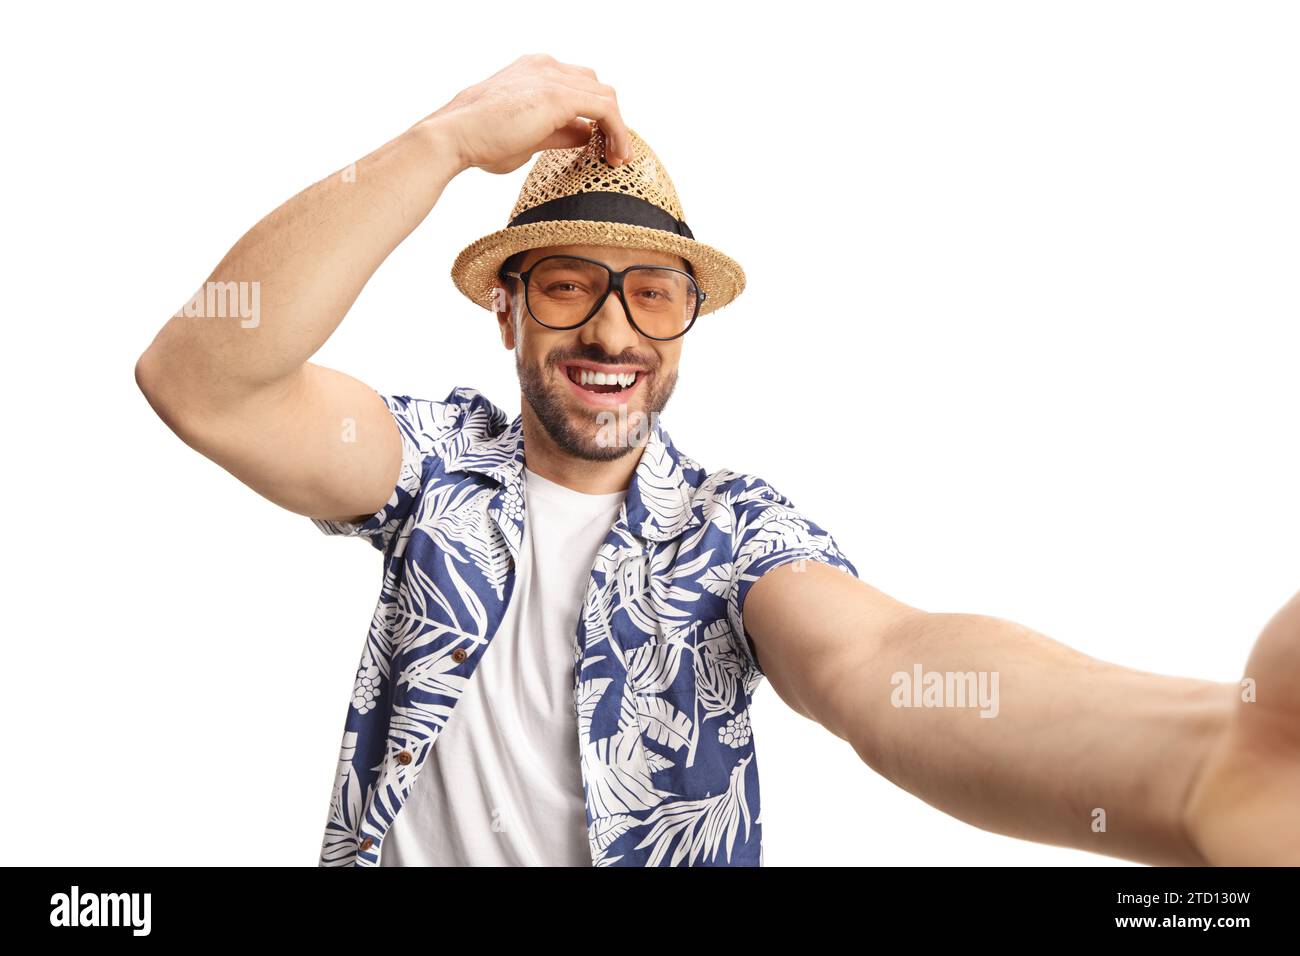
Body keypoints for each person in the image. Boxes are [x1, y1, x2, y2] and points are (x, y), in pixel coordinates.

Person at [136, 53, 1300, 868]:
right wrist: (442, 139)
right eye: (565, 284)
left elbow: (884, 663)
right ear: (506, 310)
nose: (610, 330)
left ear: (687, 319)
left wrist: (1195, 760)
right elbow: (203, 379)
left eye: (651, 293)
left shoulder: (732, 528)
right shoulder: (428, 462)